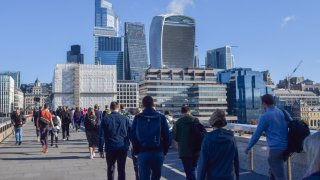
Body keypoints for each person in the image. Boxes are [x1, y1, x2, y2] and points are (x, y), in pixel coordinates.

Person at [245, 94, 289, 180]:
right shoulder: (282, 112)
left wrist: (248, 147)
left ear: (264, 103)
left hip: (275, 149)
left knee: (280, 177)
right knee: (272, 172)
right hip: (286, 148)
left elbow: (257, 135)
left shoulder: (265, 116)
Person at [130, 96, 170, 180]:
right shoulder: (161, 117)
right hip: (158, 151)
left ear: (143, 105)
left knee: (144, 177)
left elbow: (133, 136)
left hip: (143, 151)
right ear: (153, 104)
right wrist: (164, 151)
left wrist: (136, 151)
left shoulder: (137, 117)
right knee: (156, 177)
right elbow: (167, 136)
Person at [197, 110, 239, 180]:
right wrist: (237, 177)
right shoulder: (231, 138)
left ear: (212, 122)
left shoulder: (208, 139)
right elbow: (236, 160)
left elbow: (203, 164)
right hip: (229, 177)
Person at [99, 102, 131, 180]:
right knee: (121, 169)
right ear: (118, 108)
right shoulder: (125, 118)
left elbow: (101, 136)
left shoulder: (105, 119)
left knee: (110, 168)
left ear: (110, 108)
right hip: (122, 146)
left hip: (110, 147)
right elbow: (131, 132)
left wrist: (100, 149)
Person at [173, 106, 201, 180]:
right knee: (193, 169)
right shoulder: (196, 120)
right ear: (190, 111)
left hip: (184, 150)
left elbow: (175, 136)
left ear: (181, 112)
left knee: (188, 171)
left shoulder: (178, 122)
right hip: (196, 149)